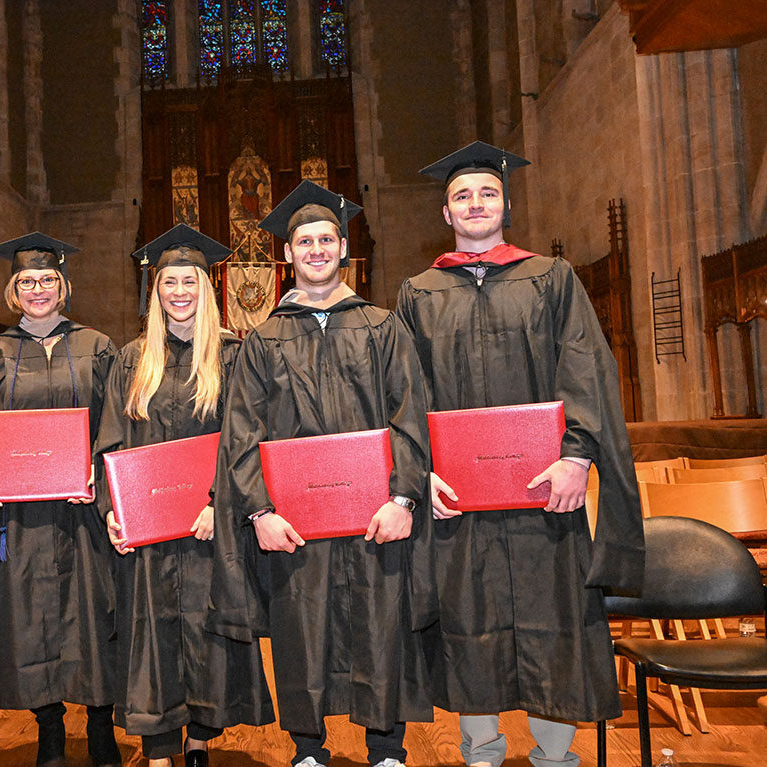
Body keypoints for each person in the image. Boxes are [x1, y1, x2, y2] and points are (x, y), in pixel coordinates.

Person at [396, 141, 645, 767]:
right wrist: (420, 472)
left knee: (554, 614)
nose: (474, 204)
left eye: (486, 193)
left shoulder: (552, 279)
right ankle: (481, 750)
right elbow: (402, 393)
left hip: (546, 491)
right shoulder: (419, 293)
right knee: (467, 617)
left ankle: (554, 756)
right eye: (461, 196)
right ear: (446, 213)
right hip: (459, 498)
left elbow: (584, 368)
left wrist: (578, 456)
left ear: (506, 203)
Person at [210, 181, 436, 767]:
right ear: (288, 254)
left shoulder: (383, 327)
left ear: (343, 248)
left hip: (375, 516)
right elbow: (242, 433)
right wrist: (260, 511)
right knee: (301, 631)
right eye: (303, 241)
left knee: (380, 625)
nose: (315, 250)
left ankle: (387, 749)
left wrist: (404, 499)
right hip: (295, 523)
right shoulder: (263, 340)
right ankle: (308, 749)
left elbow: (410, 416)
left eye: (326, 240)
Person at [94, 225, 275, 767]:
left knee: (202, 634)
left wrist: (219, 503)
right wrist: (112, 511)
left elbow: (247, 438)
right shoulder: (131, 360)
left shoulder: (233, 355)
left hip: (207, 528)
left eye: (188, 281)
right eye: (168, 282)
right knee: (151, 640)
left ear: (205, 287)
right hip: (148, 534)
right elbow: (109, 440)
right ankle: (157, 752)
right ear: (156, 291)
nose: (178, 291)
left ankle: (197, 745)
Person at [0, 233, 121, 767]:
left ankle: (101, 725)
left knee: (92, 613)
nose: (37, 289)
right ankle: (49, 728)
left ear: (63, 285)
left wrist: (98, 468)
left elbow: (116, 423)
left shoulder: (98, 346)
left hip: (83, 507)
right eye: (26, 282)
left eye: (46, 280)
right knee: (31, 617)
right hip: (17, 517)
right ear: (14, 290)